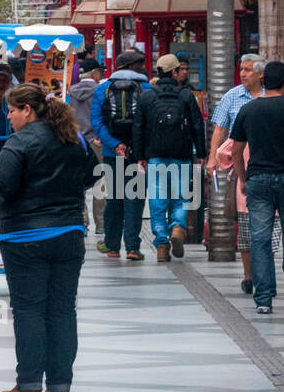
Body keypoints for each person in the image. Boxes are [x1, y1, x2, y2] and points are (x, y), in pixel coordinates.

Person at [0, 84, 94, 392]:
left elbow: (0, 185)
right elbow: (93, 173)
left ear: (28, 110)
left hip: (24, 238)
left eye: (12, 110)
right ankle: (60, 384)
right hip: (68, 235)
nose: (9, 117)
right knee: (63, 310)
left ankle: (30, 383)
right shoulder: (74, 138)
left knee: (29, 310)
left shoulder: (19, 142)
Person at [132, 53, 206, 262]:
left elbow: (138, 128)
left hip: (155, 157)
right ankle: (177, 227)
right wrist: (201, 153)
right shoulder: (185, 96)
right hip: (181, 155)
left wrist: (140, 157)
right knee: (181, 197)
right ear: (174, 72)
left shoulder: (147, 96)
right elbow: (196, 126)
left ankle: (162, 244)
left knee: (157, 200)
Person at [230, 61, 284, 315]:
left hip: (259, 180)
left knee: (259, 240)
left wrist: (242, 178)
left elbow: (237, 150)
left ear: (263, 81)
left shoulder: (248, 110)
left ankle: (263, 298)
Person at [90, 49, 151, 261]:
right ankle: (133, 247)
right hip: (138, 154)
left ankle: (112, 245)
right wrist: (135, 146)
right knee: (134, 199)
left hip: (111, 153)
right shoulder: (147, 88)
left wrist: (115, 145)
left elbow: (97, 122)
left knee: (114, 199)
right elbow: (149, 123)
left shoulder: (102, 89)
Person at [217, 134, 283, 296]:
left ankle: (249, 278)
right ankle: (266, 277)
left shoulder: (248, 121)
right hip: (278, 183)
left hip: (247, 189)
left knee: (248, 238)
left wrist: (231, 166)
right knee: (270, 239)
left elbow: (222, 153)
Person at [207, 54, 265, 174]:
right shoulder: (232, 95)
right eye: (241, 69)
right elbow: (219, 129)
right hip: (237, 163)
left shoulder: (270, 95)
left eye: (247, 70)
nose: (242, 74)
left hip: (265, 161)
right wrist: (212, 158)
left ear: (260, 73)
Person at [68, 57, 105, 234]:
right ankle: (101, 223)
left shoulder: (71, 92)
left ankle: (82, 221)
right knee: (100, 182)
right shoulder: (100, 91)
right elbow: (101, 116)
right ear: (95, 73)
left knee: (77, 180)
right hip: (96, 141)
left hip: (77, 140)